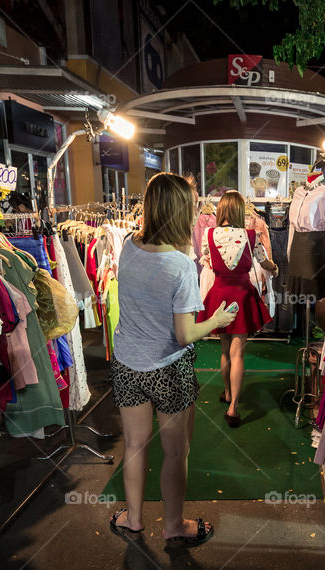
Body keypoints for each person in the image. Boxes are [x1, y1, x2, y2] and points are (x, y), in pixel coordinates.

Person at [109, 172, 237, 548]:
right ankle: (173, 524)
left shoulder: (129, 245)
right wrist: (216, 321)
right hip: (168, 367)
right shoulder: (180, 266)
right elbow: (184, 334)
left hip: (127, 362)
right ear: (182, 212)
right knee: (176, 451)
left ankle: (133, 519)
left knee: (134, 446)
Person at [198, 190, 277, 428]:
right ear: (239, 210)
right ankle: (233, 409)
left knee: (224, 349)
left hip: (219, 294)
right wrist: (275, 269)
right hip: (242, 295)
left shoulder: (208, 234)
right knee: (237, 353)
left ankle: (227, 393)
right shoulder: (250, 235)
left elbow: (207, 260)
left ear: (221, 210)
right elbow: (264, 262)